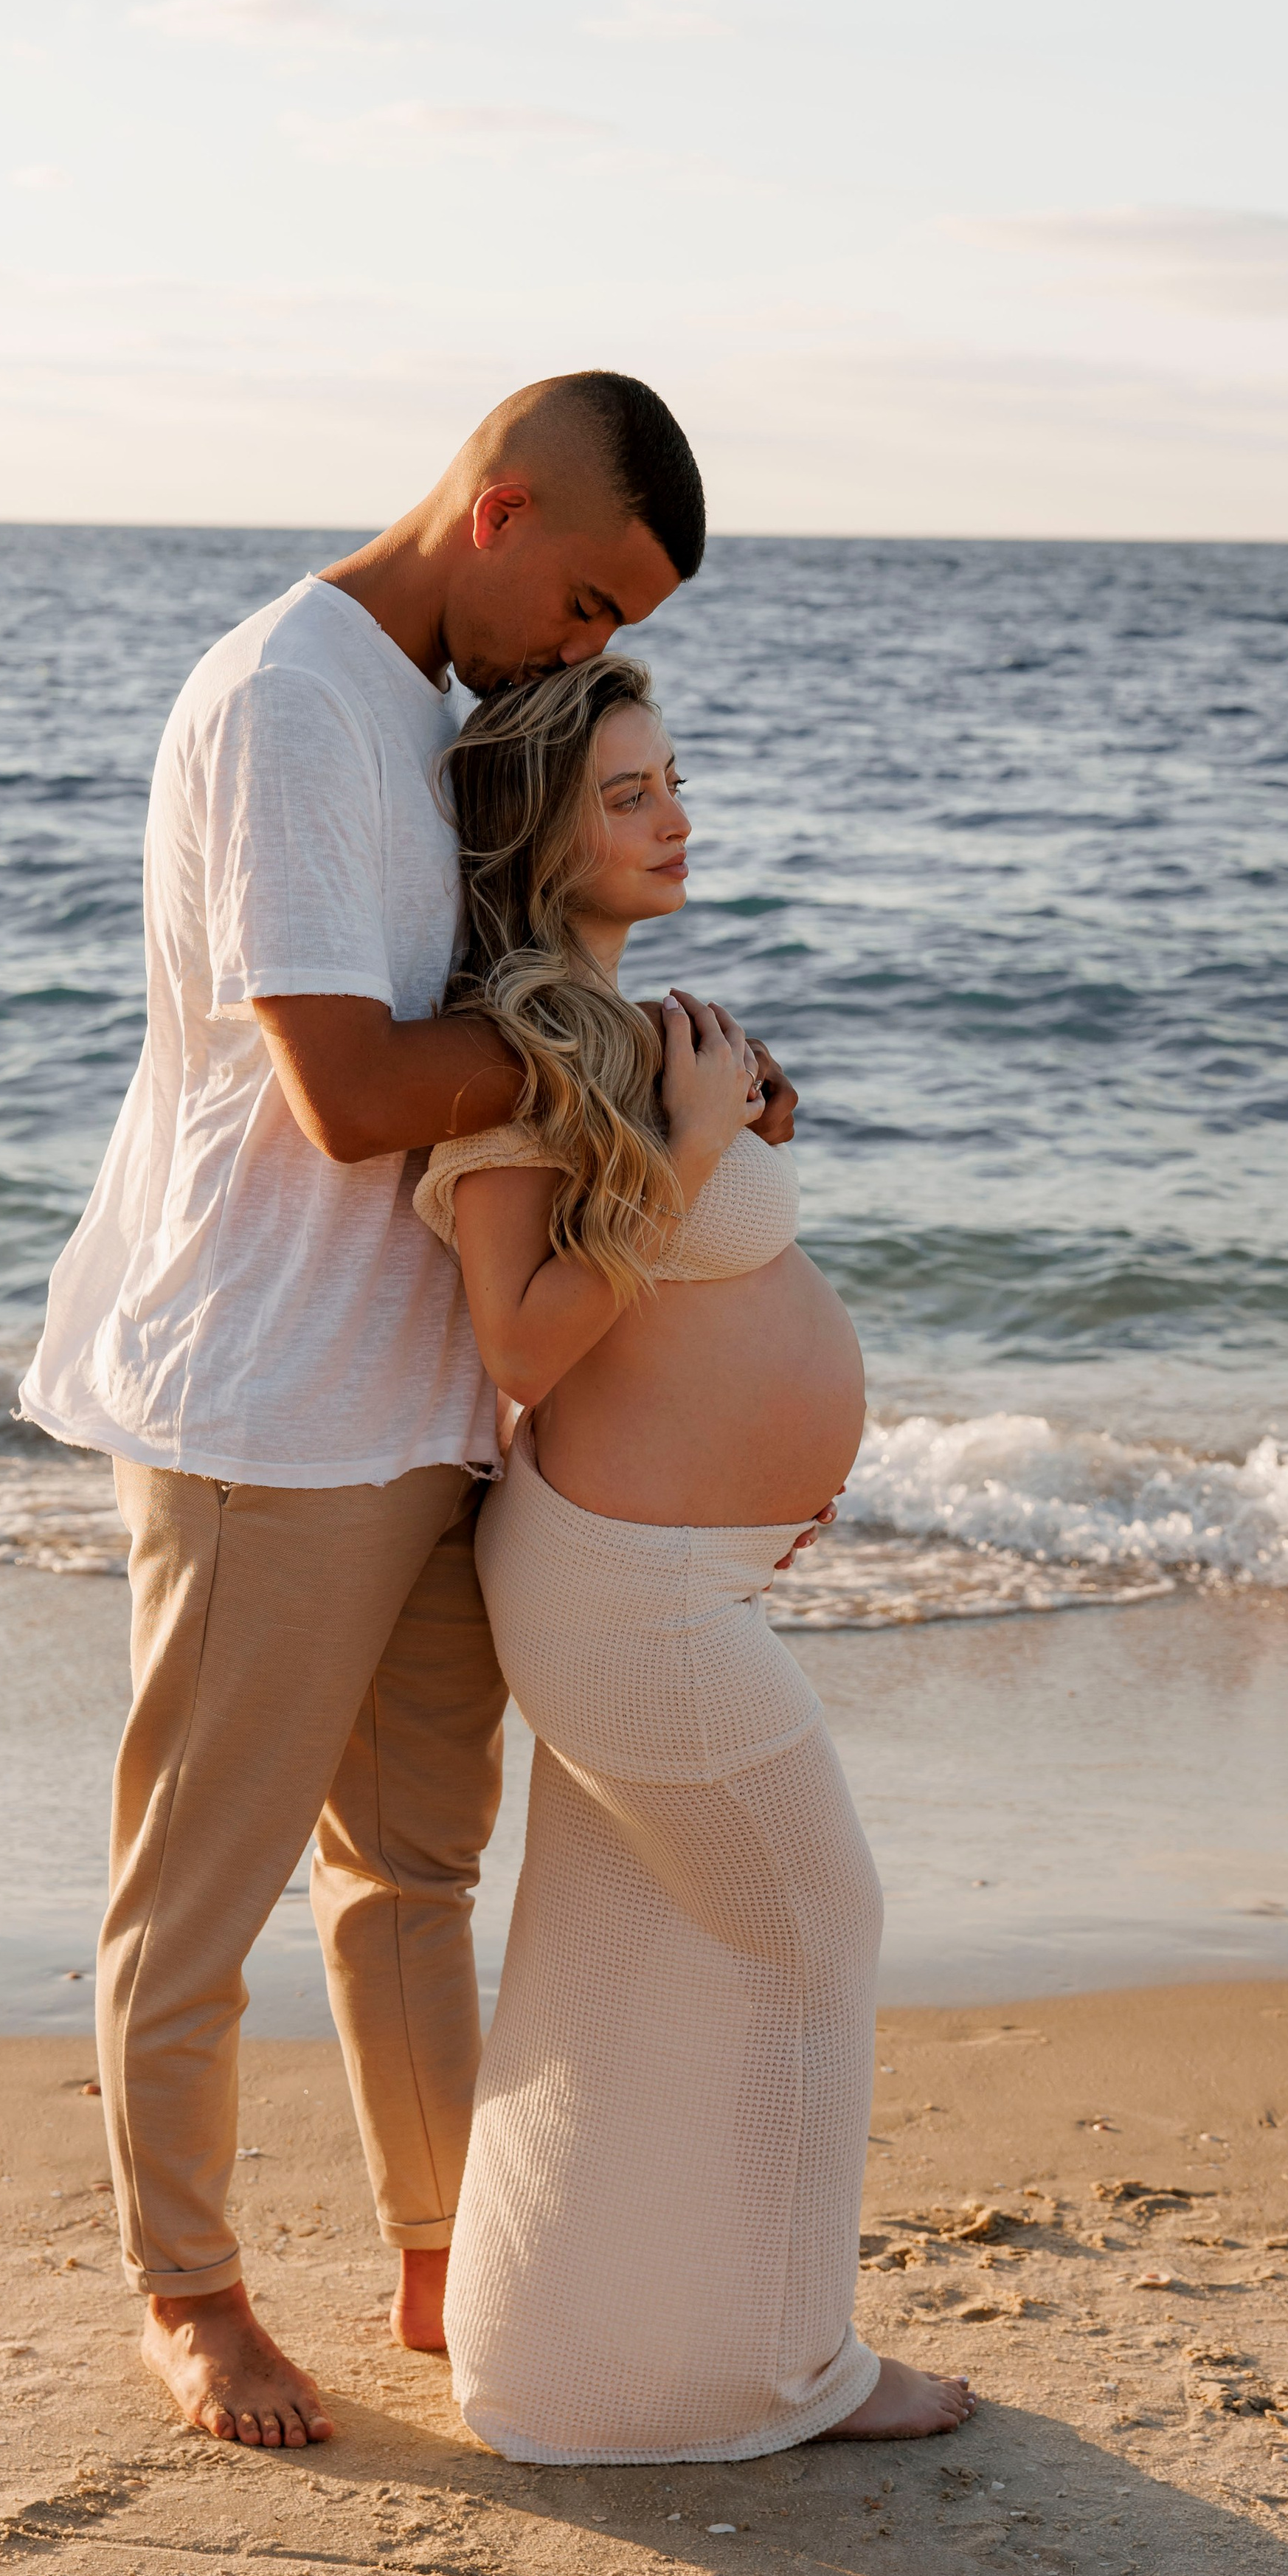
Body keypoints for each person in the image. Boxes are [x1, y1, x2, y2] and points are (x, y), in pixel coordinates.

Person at [19, 373, 802, 2450]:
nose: (589, 650)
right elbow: (350, 1092)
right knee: (199, 1886)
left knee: (408, 1874)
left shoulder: (417, 716)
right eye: (586, 598)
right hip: (264, 1401)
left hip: (424, 1402)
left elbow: (502, 1019)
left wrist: (633, 1064)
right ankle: (186, 2294)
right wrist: (613, 1052)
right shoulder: (291, 696)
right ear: (498, 503)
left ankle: (446, 2261)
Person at [413, 654, 977, 2456]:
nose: (677, 818)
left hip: (667, 1580)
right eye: (629, 794)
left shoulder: (615, 1020)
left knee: (629, 1959)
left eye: (674, 781)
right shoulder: (509, 1046)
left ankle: (567, 2357)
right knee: (816, 1926)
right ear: (537, 832)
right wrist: (687, 1144)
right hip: (627, 1600)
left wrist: (701, 1110)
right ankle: (793, 2367)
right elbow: (520, 1342)